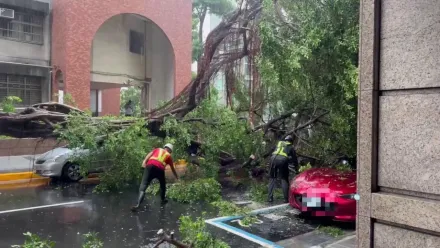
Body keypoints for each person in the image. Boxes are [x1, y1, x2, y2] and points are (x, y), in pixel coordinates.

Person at [131, 143, 179, 211]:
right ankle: (163, 200)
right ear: (170, 150)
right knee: (163, 186)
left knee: (143, 185)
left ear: (165, 147)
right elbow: (172, 168)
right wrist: (177, 177)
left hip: (150, 166)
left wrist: (144, 161)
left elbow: (149, 154)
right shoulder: (169, 156)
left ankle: (138, 204)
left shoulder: (157, 149)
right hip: (160, 169)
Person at [268, 135, 298, 203]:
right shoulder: (291, 147)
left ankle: (270, 198)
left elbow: (273, 151)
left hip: (273, 159)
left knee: (272, 179)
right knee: (284, 179)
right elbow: (295, 160)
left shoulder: (279, 143)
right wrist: (296, 169)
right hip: (282, 160)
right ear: (291, 141)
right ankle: (286, 199)